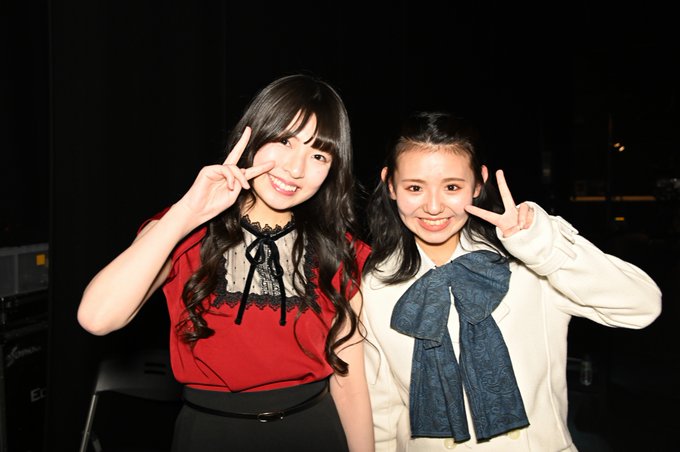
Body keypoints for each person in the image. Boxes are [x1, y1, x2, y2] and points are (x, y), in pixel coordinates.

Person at [77, 74, 375, 452]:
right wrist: (188, 211)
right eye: (285, 141)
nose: (296, 168)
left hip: (313, 432)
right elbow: (97, 317)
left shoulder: (340, 250)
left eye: (318, 155)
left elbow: (350, 385)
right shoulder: (185, 230)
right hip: (210, 435)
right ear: (252, 136)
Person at [361, 111, 662, 451]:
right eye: (415, 187)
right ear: (390, 185)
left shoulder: (526, 263)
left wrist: (541, 245)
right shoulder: (374, 285)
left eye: (452, 187)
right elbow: (382, 410)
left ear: (478, 184)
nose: (433, 206)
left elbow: (641, 307)